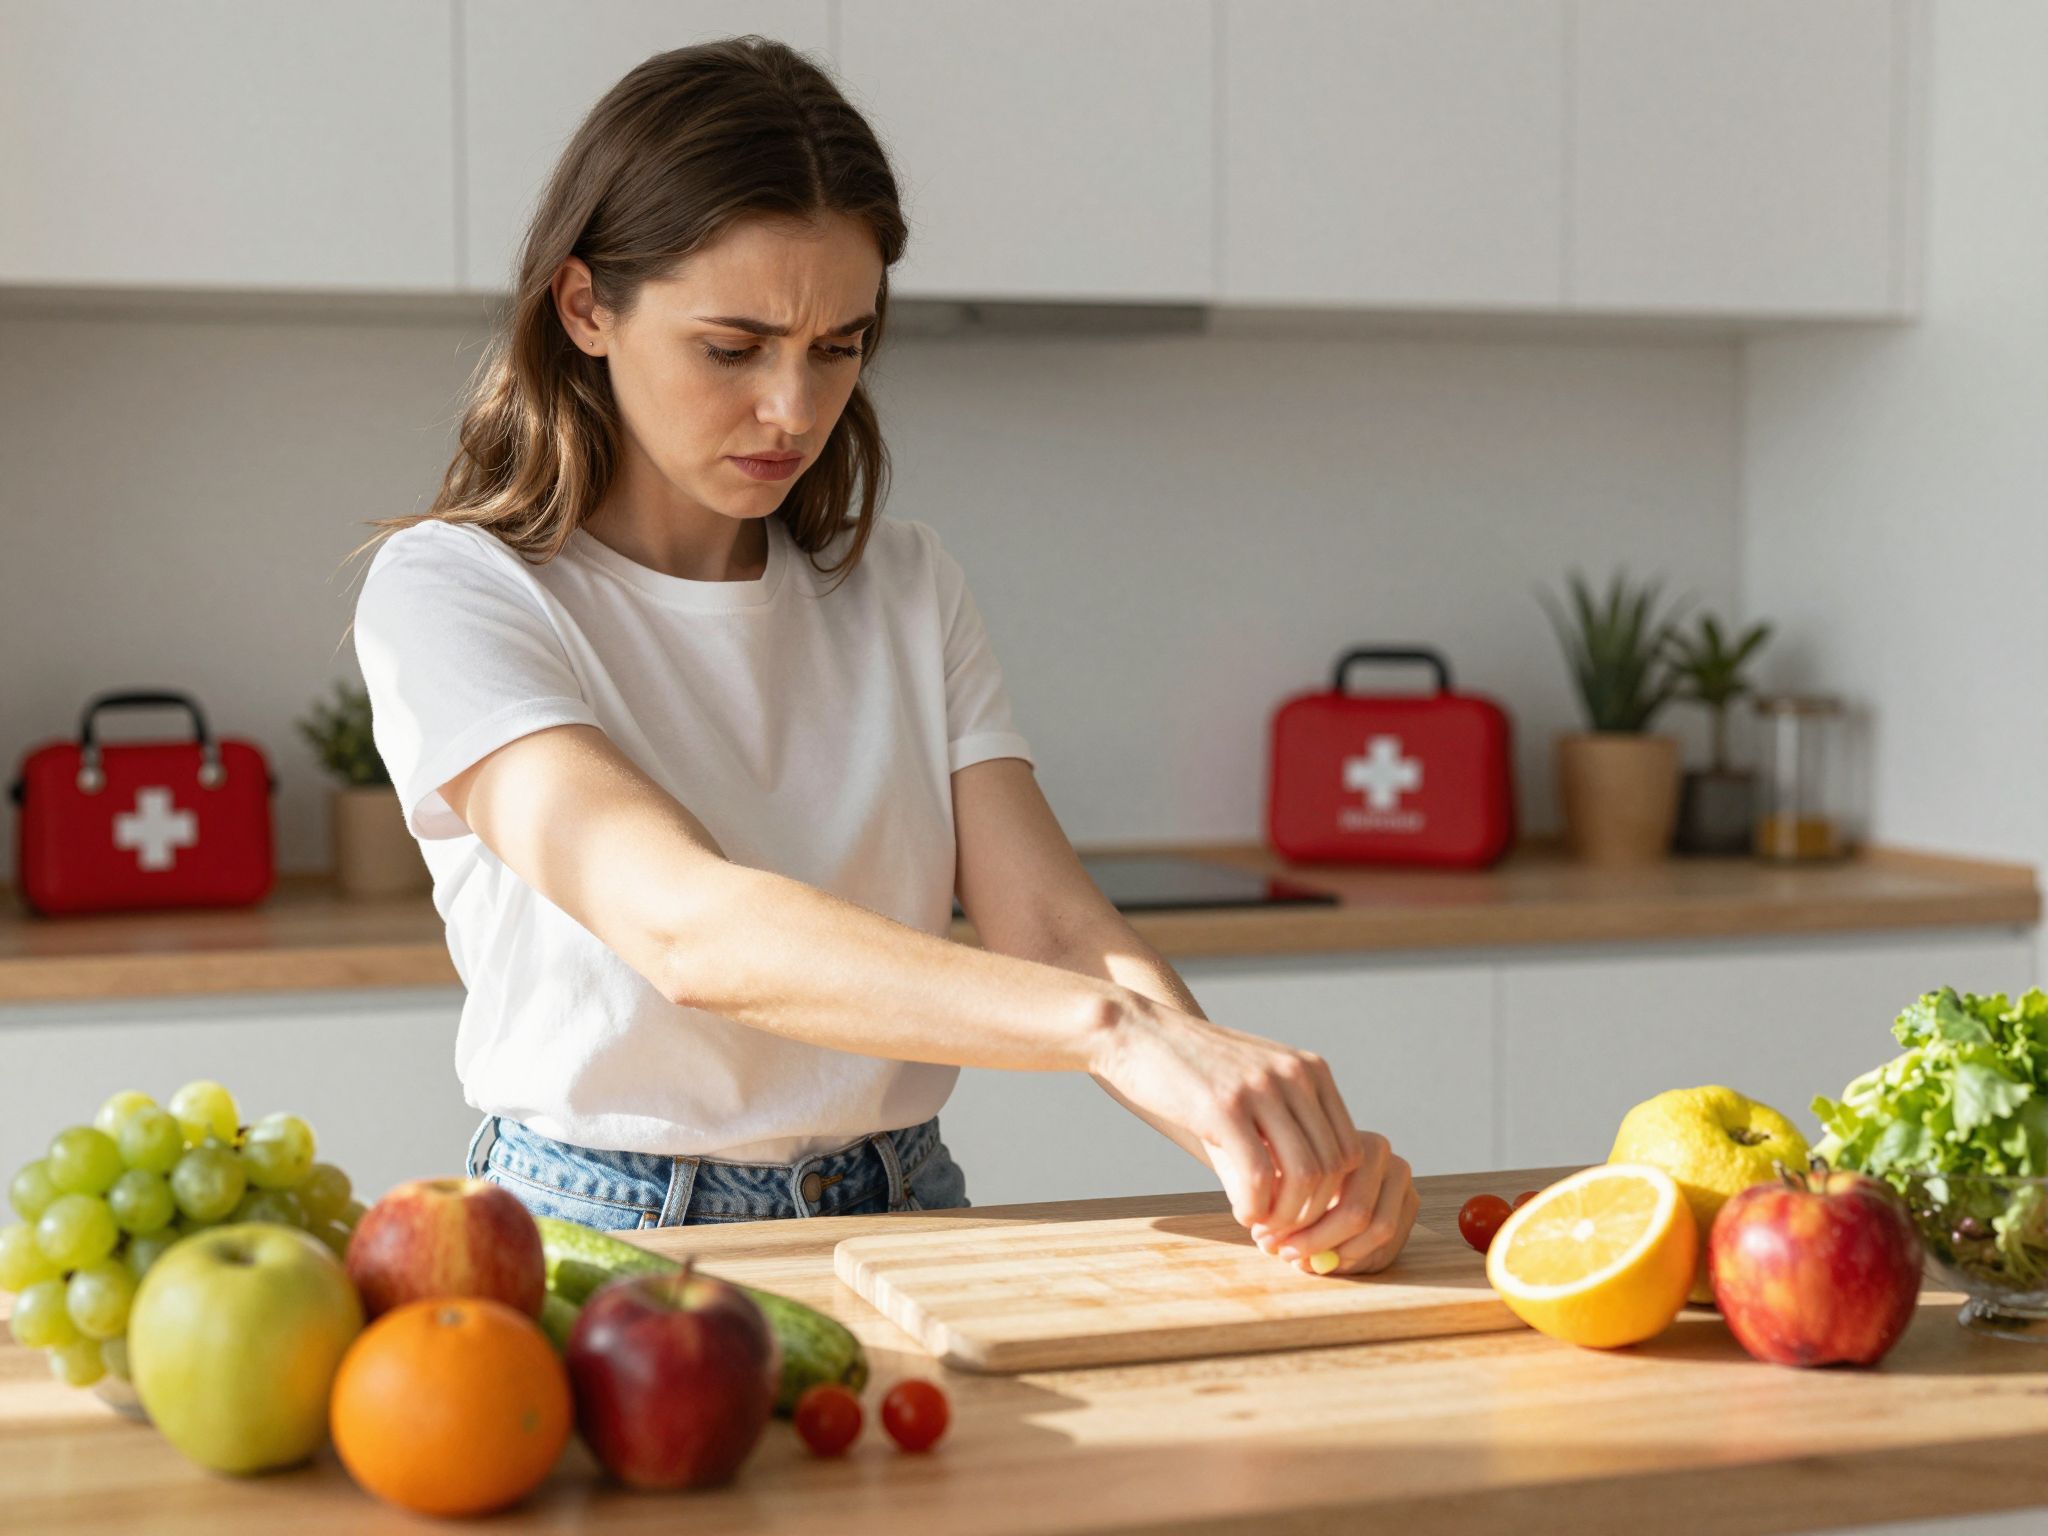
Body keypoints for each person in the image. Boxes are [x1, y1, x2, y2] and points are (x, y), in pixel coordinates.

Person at [350, 35, 1416, 1273]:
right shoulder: (455, 591)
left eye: (839, 346)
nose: (795, 409)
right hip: (600, 1230)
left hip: (907, 1205)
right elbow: (686, 927)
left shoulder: (903, 586)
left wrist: (1259, 1144)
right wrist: (1111, 1031)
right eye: (732, 347)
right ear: (586, 307)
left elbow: (1052, 927)